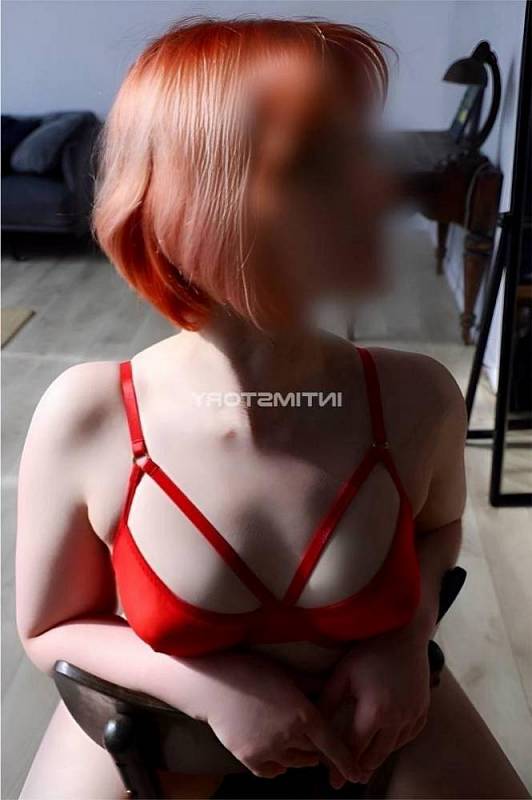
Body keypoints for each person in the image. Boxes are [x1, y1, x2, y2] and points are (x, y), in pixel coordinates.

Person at [16, 17, 529, 800]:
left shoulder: (417, 399)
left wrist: (406, 637)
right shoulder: (91, 417)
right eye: (319, 164)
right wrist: (206, 687)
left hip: (375, 726)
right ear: (191, 196)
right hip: (155, 724)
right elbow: (49, 627)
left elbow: (439, 531)